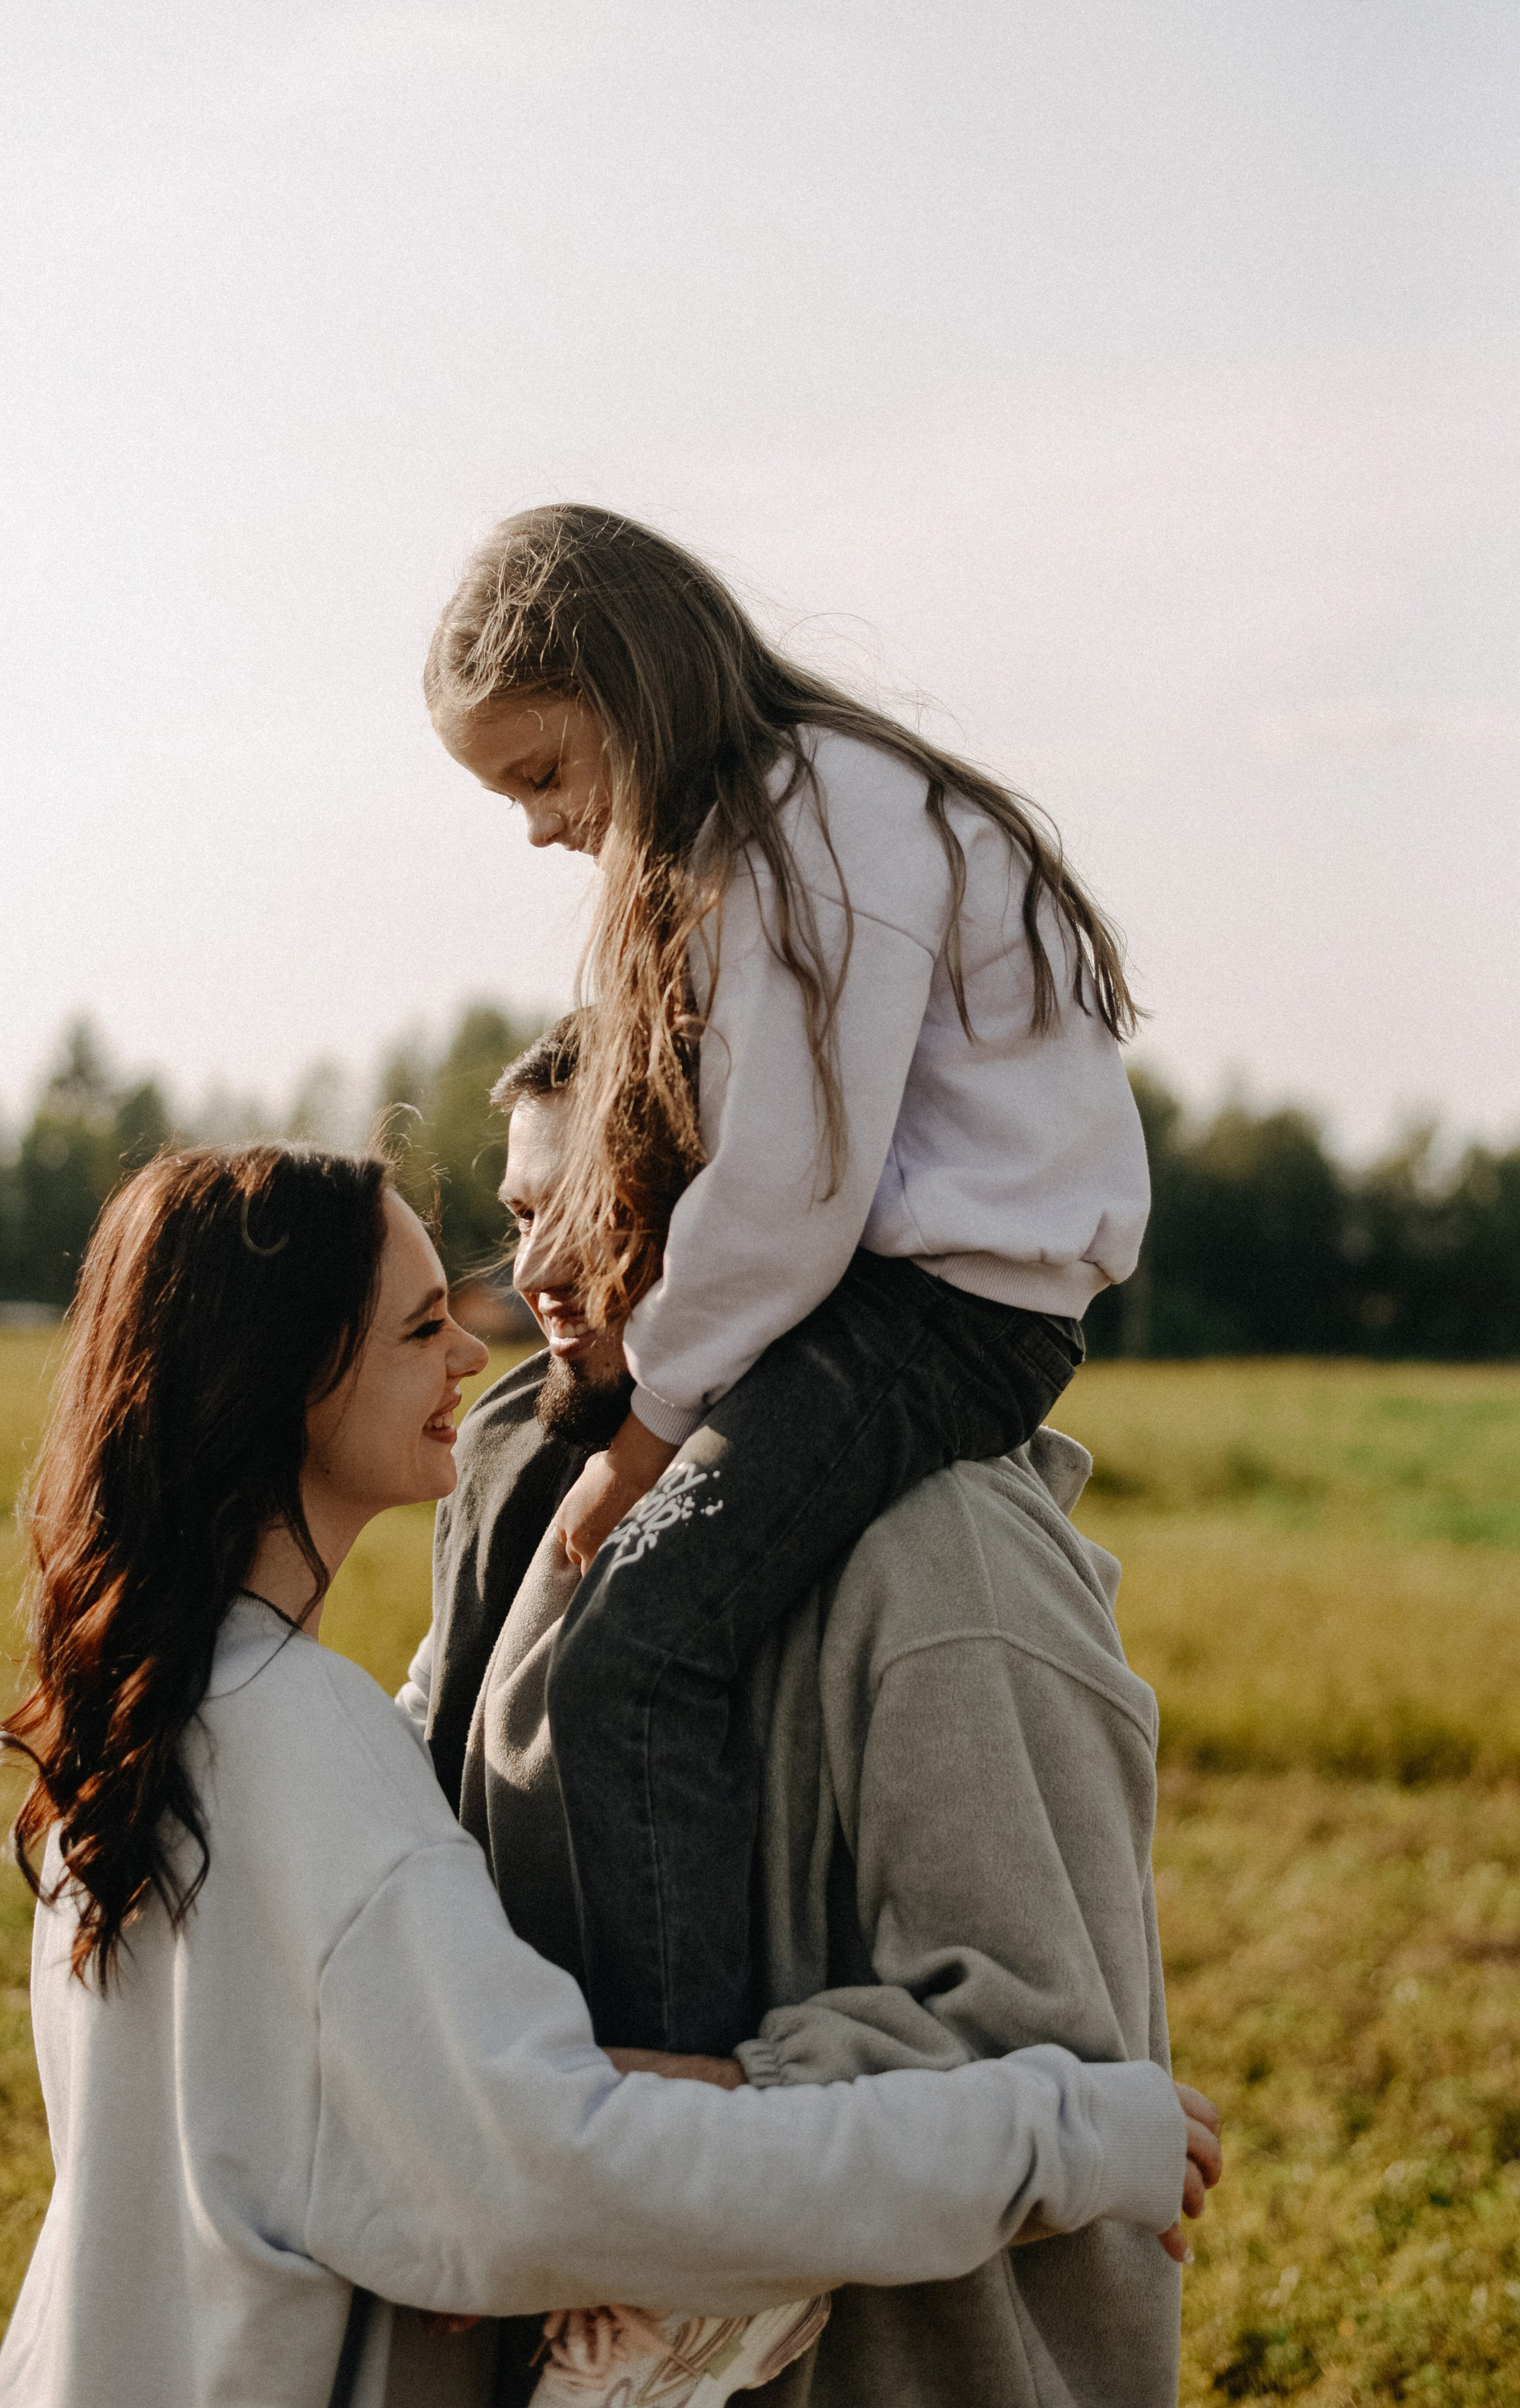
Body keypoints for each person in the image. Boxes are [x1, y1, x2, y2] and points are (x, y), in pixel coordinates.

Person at [0, 1144, 1199, 2408]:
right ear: (288, 1381)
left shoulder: (157, 1715)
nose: (475, 1348)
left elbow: (399, 2111)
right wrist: (1071, 2134)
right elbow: (565, 2174)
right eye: (418, 1330)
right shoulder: (302, 1744)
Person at [426, 504, 1152, 2063]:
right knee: (519, 1484)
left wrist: (652, 1430)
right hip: (870, 1299)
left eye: (544, 774)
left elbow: (792, 1180)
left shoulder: (820, 816)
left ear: (628, 687)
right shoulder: (753, 827)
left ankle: (680, 2113)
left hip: (945, 1316)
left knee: (631, 1654)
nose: (543, 828)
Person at [403, 1024, 1219, 2407]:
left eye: (597, 1216)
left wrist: (614, 2111)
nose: (534, 1275)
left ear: (760, 1225)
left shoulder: (945, 1556)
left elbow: (1047, 2059)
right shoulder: (534, 1489)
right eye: (520, 1213)